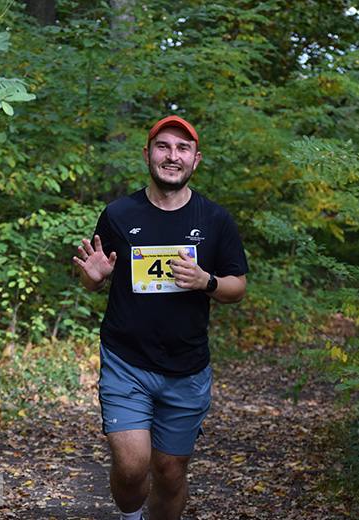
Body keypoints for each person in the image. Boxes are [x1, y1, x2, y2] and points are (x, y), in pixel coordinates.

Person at [73, 115, 249, 520]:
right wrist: (93, 278)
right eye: (163, 146)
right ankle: (129, 515)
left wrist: (207, 281)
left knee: (169, 472)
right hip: (126, 361)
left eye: (182, 149)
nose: (173, 156)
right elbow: (93, 279)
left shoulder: (215, 219)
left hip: (186, 368)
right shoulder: (118, 213)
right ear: (148, 155)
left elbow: (237, 287)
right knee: (133, 466)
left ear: (196, 160)